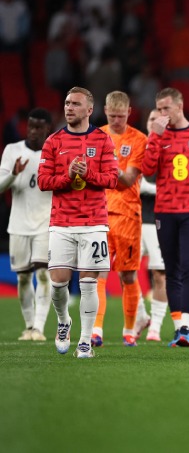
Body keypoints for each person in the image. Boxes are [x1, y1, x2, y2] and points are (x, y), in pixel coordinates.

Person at [37, 87, 119, 358]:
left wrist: (90, 174)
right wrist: (67, 176)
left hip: (94, 222)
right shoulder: (53, 141)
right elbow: (43, 182)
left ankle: (85, 341)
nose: (69, 108)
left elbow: (112, 179)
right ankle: (63, 322)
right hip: (61, 221)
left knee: (88, 284)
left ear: (89, 110)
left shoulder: (103, 140)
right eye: (66, 103)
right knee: (58, 283)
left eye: (75, 104)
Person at [140, 87, 189, 347]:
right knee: (171, 270)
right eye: (159, 109)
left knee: (188, 268)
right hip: (165, 211)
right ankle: (178, 330)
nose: (162, 114)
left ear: (179, 106)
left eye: (166, 108)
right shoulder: (158, 136)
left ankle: (186, 326)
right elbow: (148, 170)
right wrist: (154, 136)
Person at [92, 91, 150, 347]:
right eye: (111, 115)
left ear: (129, 112)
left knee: (127, 276)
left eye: (120, 115)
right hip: (99, 213)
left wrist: (107, 162)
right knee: (97, 273)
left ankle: (129, 330)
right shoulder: (95, 136)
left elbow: (127, 180)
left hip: (128, 215)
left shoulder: (139, 139)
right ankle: (96, 330)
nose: (116, 120)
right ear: (105, 111)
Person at [0, 108, 53, 341]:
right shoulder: (13, 151)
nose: (32, 131)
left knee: (43, 274)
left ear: (47, 129)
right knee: (23, 277)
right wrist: (13, 174)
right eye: (30, 126)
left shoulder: (54, 154)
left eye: (38, 127)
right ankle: (29, 325)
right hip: (19, 225)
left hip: (45, 224)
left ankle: (39, 328)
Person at [139, 109, 169, 342]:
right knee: (126, 274)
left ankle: (155, 328)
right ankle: (140, 314)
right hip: (133, 219)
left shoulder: (171, 151)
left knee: (160, 275)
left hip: (159, 221)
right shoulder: (136, 146)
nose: (155, 123)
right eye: (152, 119)